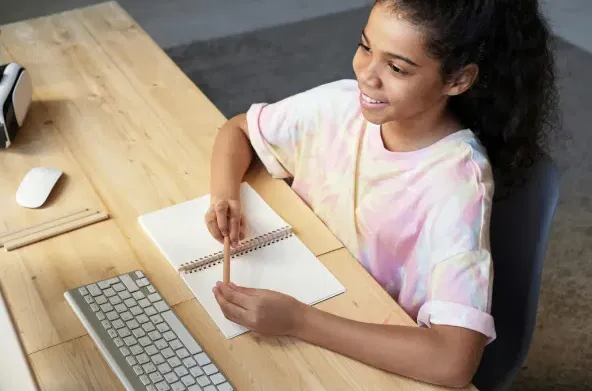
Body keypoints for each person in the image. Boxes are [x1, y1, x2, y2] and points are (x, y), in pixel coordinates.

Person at [205, 0, 558, 387]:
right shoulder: (340, 105)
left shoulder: (457, 187)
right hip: (314, 292)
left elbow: (452, 361)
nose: (366, 76)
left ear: (457, 80)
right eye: (365, 46)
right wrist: (226, 197)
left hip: (365, 338)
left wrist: (298, 320)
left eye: (396, 68)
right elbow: (238, 130)